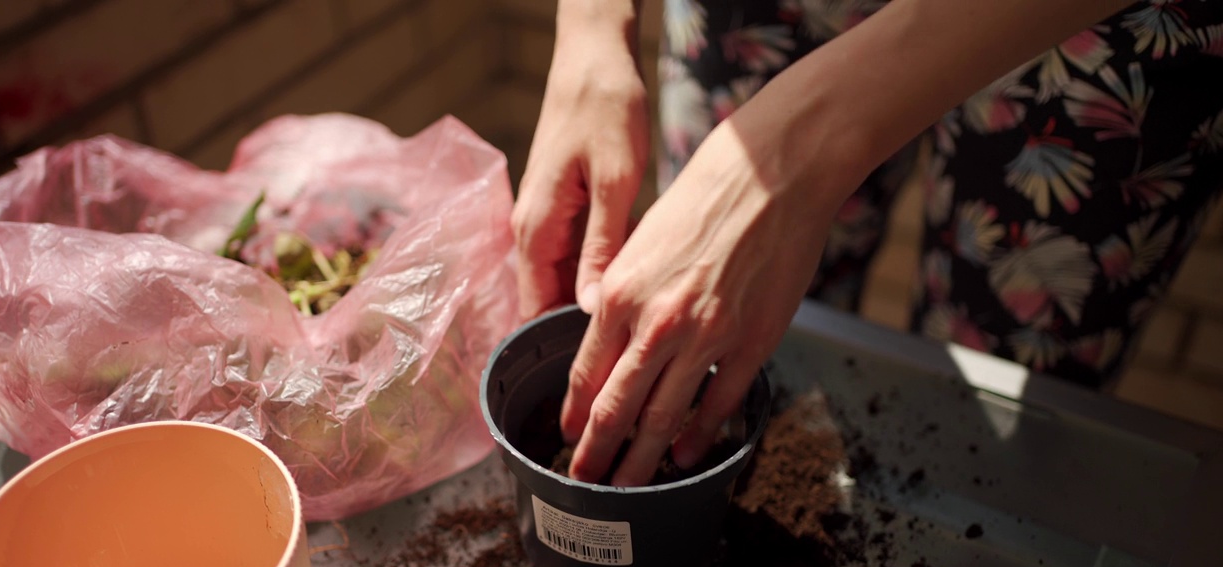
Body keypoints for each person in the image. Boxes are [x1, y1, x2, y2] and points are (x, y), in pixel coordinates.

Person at [512, 0, 1223, 487]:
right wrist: (591, 32)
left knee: (994, 428)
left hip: (1095, 30)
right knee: (720, 354)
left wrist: (801, 146)